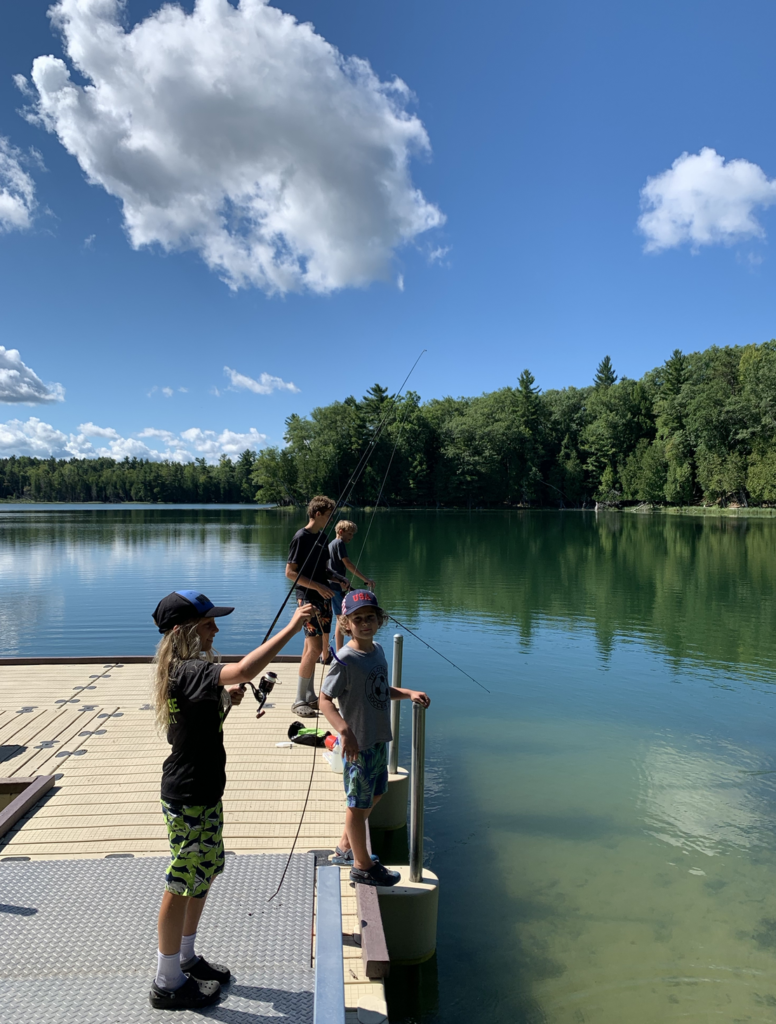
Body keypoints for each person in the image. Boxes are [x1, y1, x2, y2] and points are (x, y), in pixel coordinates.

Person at [149, 589, 312, 1010]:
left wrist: (228, 701)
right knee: (182, 879)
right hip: (187, 795)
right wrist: (292, 628)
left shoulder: (191, 672)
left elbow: (200, 722)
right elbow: (242, 667)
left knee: (203, 872)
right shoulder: (187, 669)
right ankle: (166, 982)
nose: (216, 628)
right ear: (183, 632)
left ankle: (185, 957)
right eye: (208, 624)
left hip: (203, 791)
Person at [319, 590, 430, 886]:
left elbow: (380, 688)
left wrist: (406, 693)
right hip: (358, 745)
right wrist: (345, 732)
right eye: (358, 619)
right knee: (357, 806)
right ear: (346, 624)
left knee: (377, 793)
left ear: (380, 621)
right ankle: (362, 865)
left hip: (378, 738)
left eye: (370, 617)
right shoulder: (345, 659)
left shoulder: (377, 650)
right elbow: (324, 700)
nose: (365, 623)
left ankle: (345, 847)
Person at [285, 495, 348, 717]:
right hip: (308, 599)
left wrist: (338, 578)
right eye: (329, 515)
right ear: (318, 513)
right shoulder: (301, 537)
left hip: (324, 596)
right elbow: (290, 572)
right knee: (313, 649)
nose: (331, 519)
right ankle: (299, 700)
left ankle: (310, 696)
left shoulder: (322, 537)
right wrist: (317, 588)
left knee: (308, 648)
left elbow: (324, 568)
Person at [328, 520, 375, 653]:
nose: (351, 537)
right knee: (341, 619)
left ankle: (339, 650)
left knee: (340, 618)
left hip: (333, 585)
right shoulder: (339, 543)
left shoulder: (331, 544)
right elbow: (347, 563)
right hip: (336, 586)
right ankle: (339, 651)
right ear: (341, 532)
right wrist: (365, 579)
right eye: (350, 534)